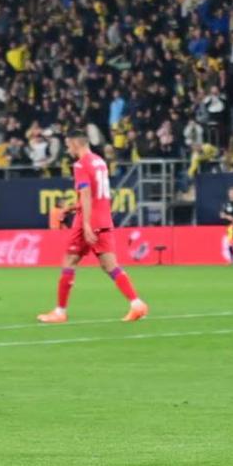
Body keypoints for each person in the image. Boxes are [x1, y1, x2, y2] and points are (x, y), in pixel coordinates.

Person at [37, 131, 148, 323]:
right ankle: (137, 304)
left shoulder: (80, 164)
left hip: (88, 221)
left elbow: (87, 194)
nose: (67, 148)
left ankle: (60, 312)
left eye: (68, 144)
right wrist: (73, 207)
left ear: (75, 143)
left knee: (69, 260)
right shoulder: (100, 161)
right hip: (104, 218)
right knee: (110, 265)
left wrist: (86, 224)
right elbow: (97, 195)